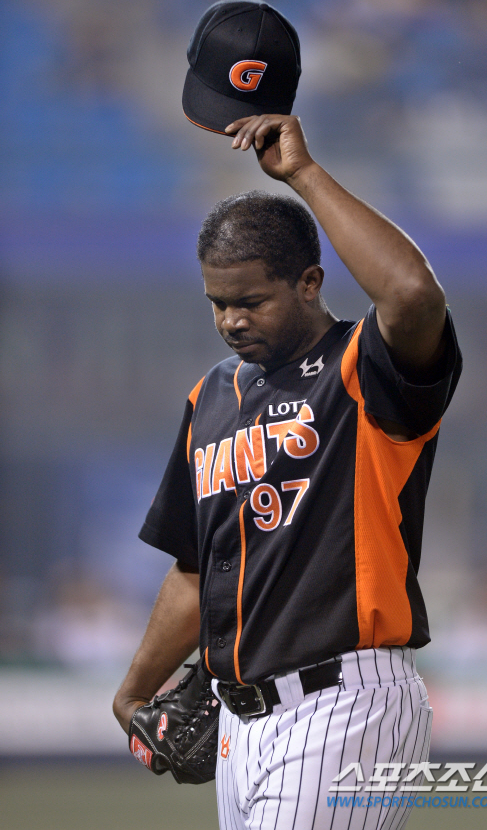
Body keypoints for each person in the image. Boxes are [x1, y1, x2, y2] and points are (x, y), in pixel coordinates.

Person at [113, 114, 462, 830]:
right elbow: (194, 569)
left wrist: (302, 173)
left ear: (309, 282)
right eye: (218, 303)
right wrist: (134, 690)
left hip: (348, 705)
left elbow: (412, 294)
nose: (230, 321)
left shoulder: (363, 369)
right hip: (240, 726)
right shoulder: (211, 397)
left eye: (250, 301)